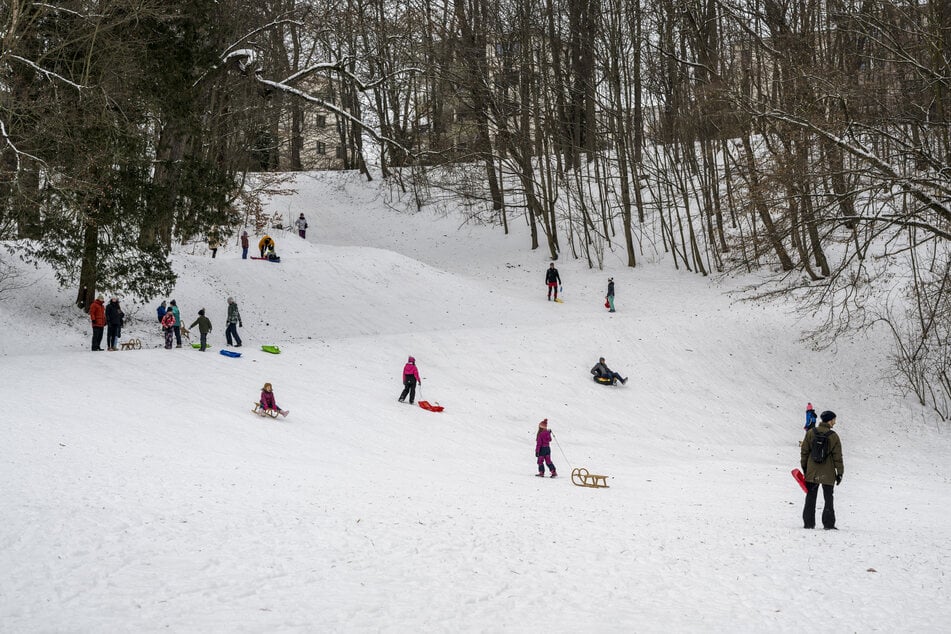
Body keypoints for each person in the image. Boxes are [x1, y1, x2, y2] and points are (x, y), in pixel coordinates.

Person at [801, 410, 844, 530]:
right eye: (834, 420)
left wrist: (805, 468)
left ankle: (809, 523)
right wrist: (840, 473)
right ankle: (828, 524)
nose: (835, 422)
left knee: (810, 497)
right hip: (828, 472)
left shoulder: (811, 432)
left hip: (812, 471)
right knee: (828, 498)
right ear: (830, 420)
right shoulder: (834, 436)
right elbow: (837, 457)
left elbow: (804, 452)